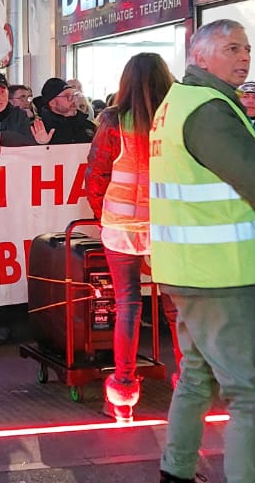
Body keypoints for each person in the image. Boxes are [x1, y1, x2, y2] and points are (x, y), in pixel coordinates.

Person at [149, 19, 255, 483]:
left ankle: (177, 471)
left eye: (245, 48)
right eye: (231, 48)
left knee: (198, 378)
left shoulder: (183, 102)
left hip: (191, 271)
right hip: (218, 276)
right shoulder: (209, 110)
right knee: (250, 394)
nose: (243, 57)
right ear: (200, 56)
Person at [84, 52, 177, 422]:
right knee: (175, 307)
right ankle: (189, 384)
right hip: (167, 226)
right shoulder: (173, 119)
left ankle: (123, 391)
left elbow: (97, 174)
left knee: (128, 305)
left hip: (120, 226)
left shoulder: (112, 120)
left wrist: (102, 215)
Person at [36, 77, 96, 145]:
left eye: (74, 95)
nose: (73, 100)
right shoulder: (39, 129)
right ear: (52, 103)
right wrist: (42, 144)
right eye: (67, 96)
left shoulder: (88, 125)